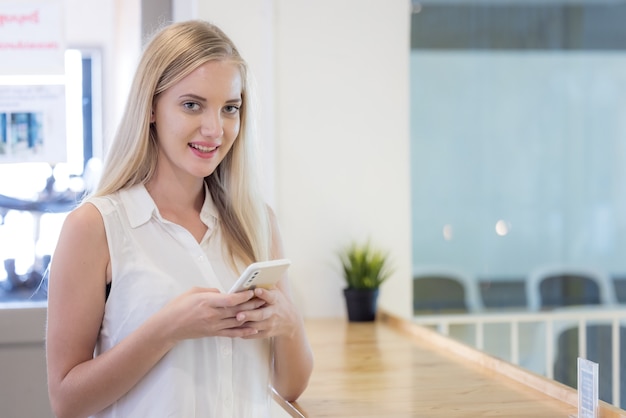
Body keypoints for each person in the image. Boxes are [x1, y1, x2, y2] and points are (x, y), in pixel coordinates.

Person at [45, 20, 313, 418]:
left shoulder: (258, 222)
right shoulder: (94, 227)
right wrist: (168, 327)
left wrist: (288, 323)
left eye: (230, 109)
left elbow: (290, 387)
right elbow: (67, 401)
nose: (214, 129)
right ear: (151, 108)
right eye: (192, 105)